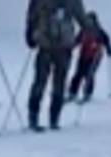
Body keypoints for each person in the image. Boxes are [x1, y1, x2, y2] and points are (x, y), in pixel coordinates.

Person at [26, 0, 93, 131]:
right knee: (40, 82)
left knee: (59, 83)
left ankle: (54, 118)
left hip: (64, 46)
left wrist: (92, 31)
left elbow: (82, 18)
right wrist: (30, 33)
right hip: (45, 44)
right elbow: (32, 15)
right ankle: (33, 117)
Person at [68, 11, 111, 103]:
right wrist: (70, 47)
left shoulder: (99, 31)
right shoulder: (84, 30)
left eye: (90, 20)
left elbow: (106, 40)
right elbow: (77, 40)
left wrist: (109, 50)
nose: (89, 23)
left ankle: (87, 93)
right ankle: (72, 92)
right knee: (78, 74)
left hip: (94, 56)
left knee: (89, 75)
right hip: (83, 55)